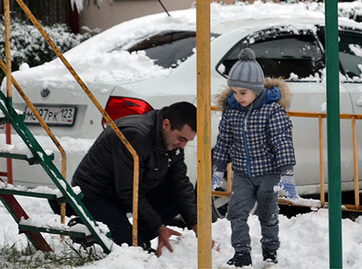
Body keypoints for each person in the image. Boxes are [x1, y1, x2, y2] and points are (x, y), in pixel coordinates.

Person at [71, 101, 198, 256]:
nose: (183, 146)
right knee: (129, 247)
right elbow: (127, 191)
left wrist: (197, 225)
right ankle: (83, 226)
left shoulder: (171, 141)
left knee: (175, 195)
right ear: (166, 125)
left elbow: (180, 183)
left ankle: (136, 240)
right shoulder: (135, 135)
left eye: (187, 141)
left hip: (127, 191)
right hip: (95, 194)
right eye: (181, 139)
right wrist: (159, 227)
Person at [211, 48, 299, 267]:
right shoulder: (232, 111)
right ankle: (242, 252)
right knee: (236, 213)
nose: (237, 97)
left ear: (256, 90)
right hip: (242, 174)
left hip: (268, 173)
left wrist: (286, 172)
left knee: (267, 214)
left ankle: (270, 250)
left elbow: (282, 141)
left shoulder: (272, 111)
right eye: (234, 92)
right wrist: (219, 167)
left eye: (243, 92)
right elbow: (224, 141)